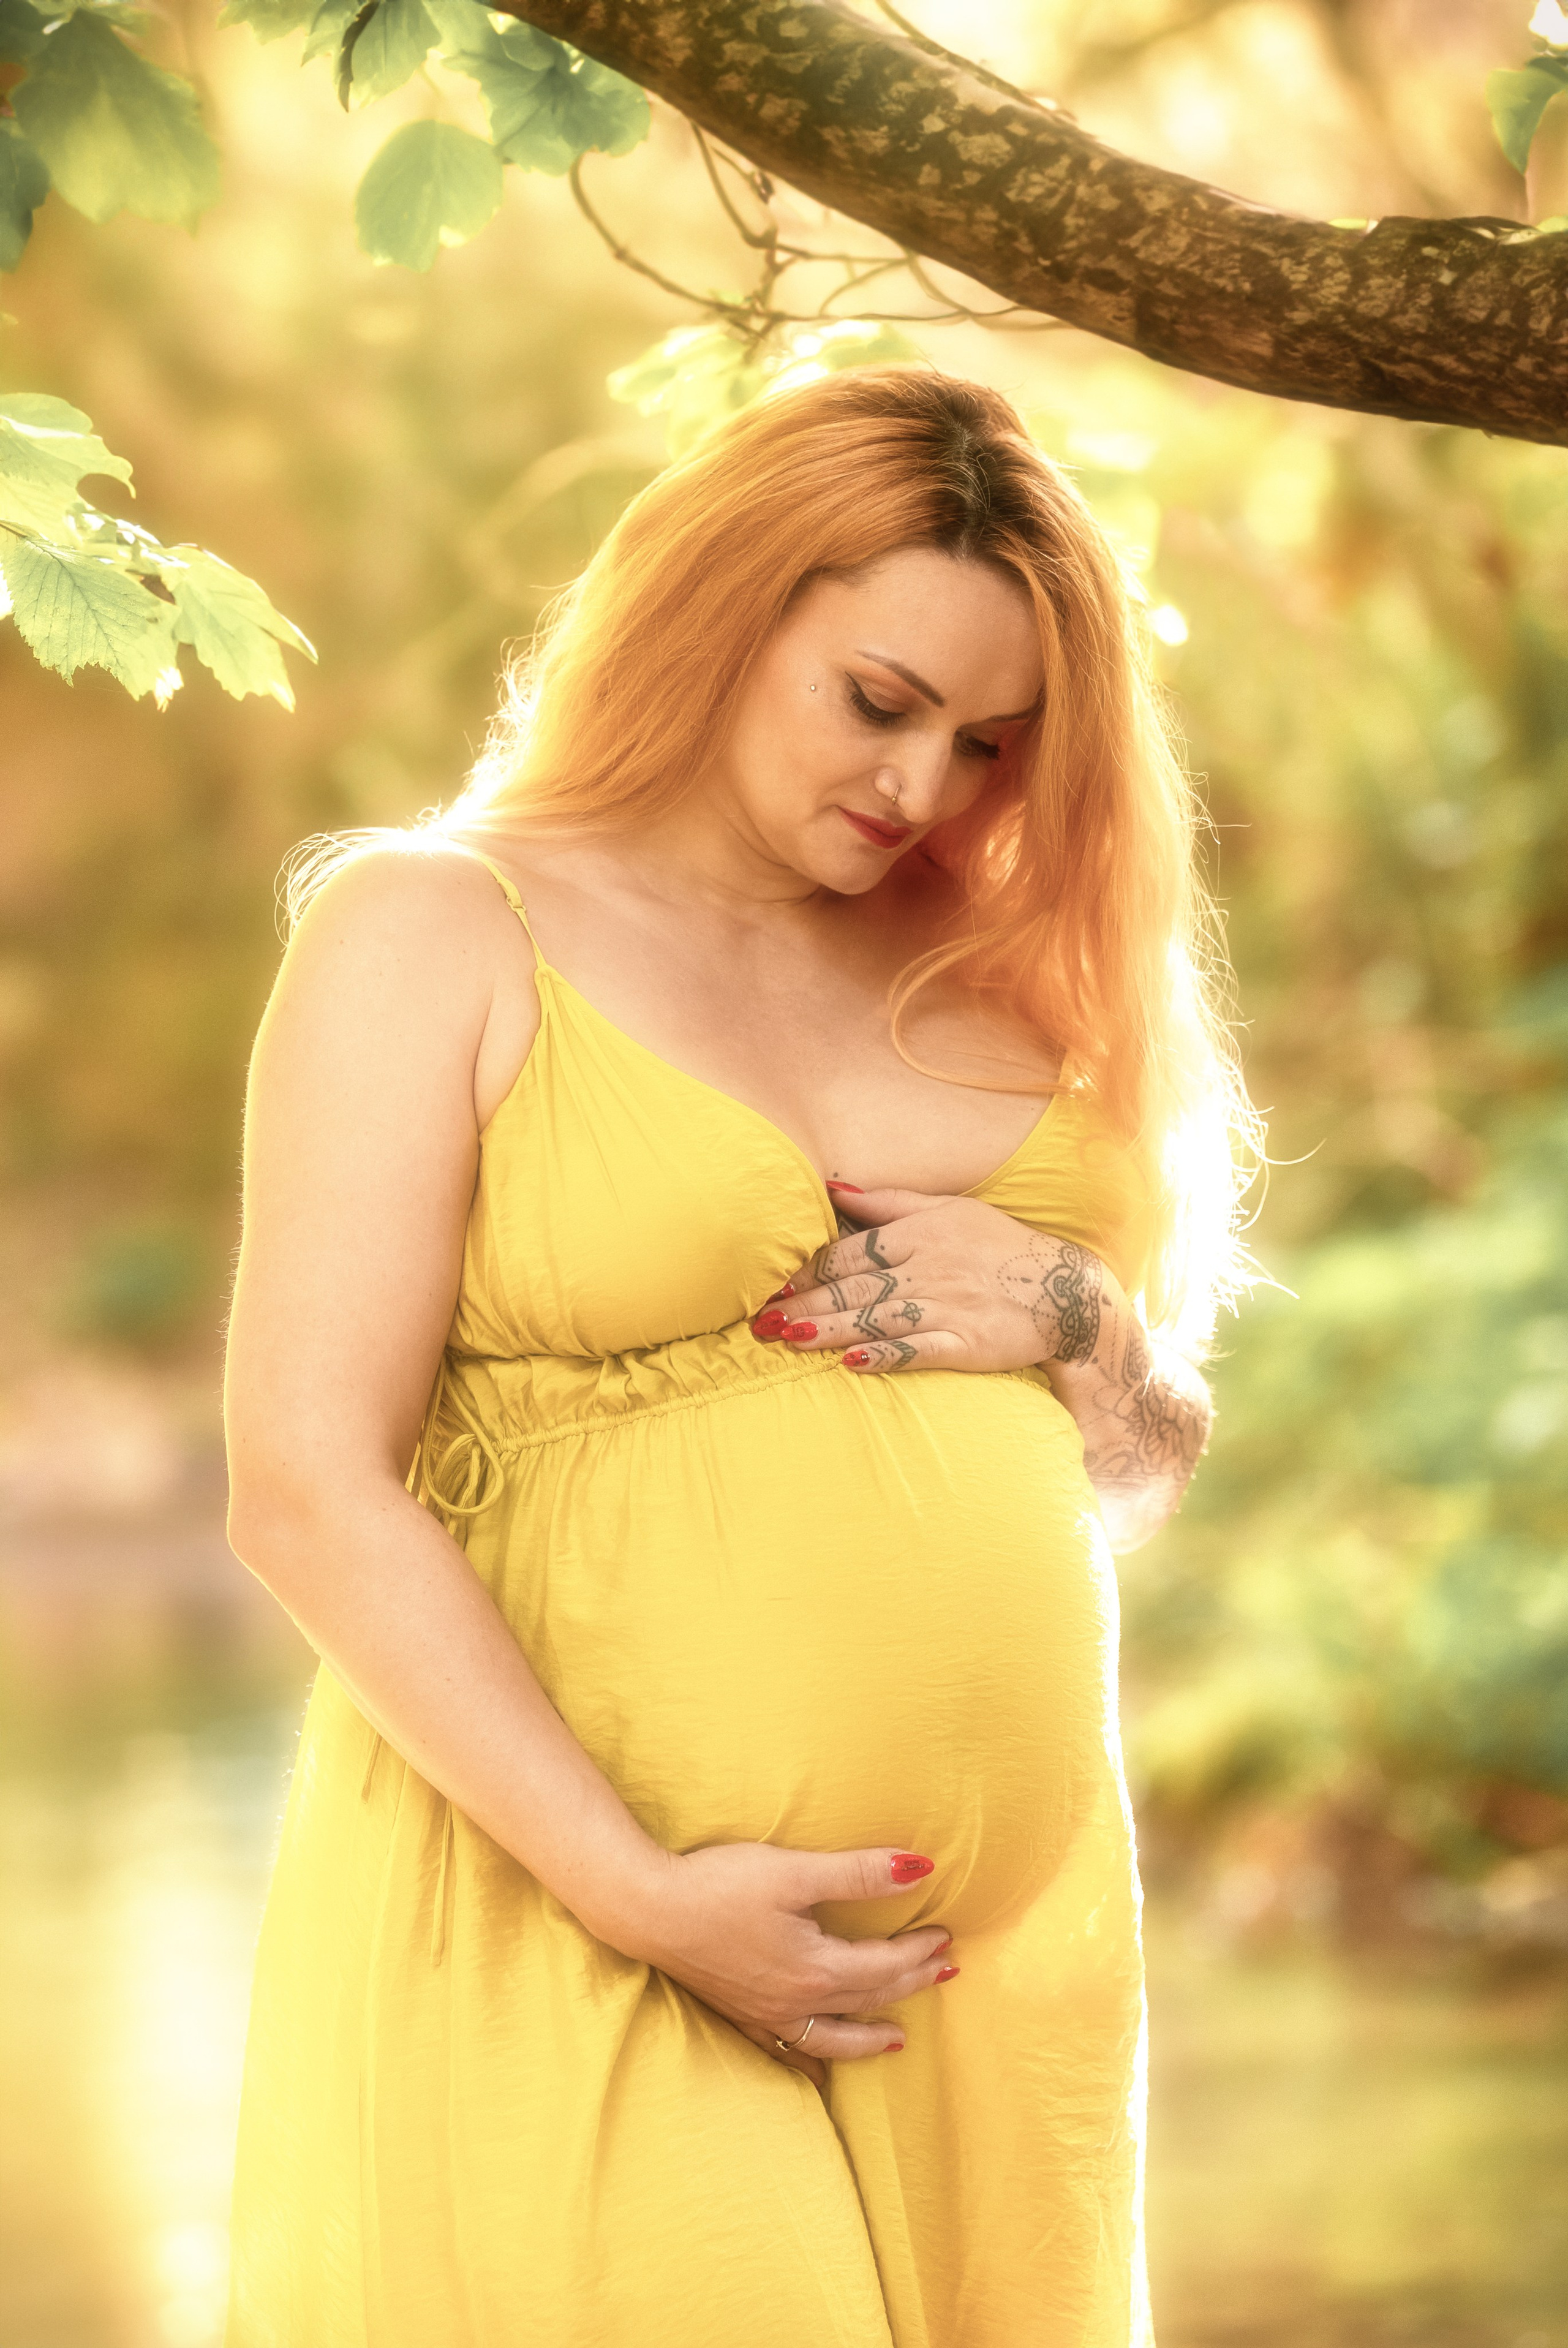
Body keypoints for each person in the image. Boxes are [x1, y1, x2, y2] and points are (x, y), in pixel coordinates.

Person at [221, 366, 1256, 2348]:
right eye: (880, 701)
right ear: (725, 602)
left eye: (990, 742)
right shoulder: (435, 927)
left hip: (989, 1972)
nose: (927, 788)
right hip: (586, 1914)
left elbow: (1139, 1465)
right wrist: (633, 1888)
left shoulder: (1001, 968)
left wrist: (1079, 1322)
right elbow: (301, 1480)